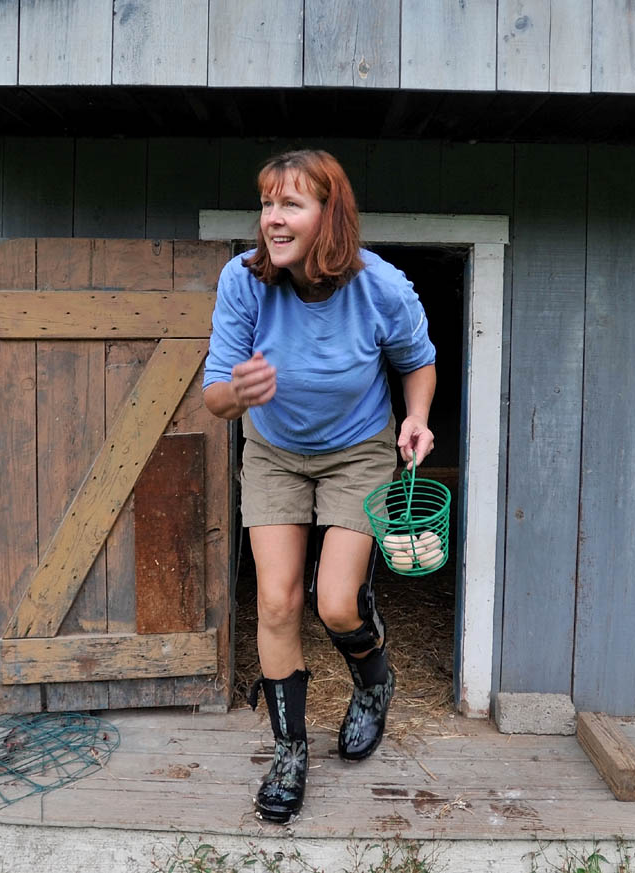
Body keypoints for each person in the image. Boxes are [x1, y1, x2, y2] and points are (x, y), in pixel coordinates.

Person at [202, 149, 436, 823]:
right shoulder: (243, 282)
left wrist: (417, 416)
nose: (272, 218)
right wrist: (233, 395)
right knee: (276, 602)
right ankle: (289, 749)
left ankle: (373, 682)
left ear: (328, 215)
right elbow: (216, 394)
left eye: (290, 204)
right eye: (268, 203)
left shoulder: (380, 287)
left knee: (334, 602)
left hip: (359, 450)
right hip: (275, 450)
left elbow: (418, 362)